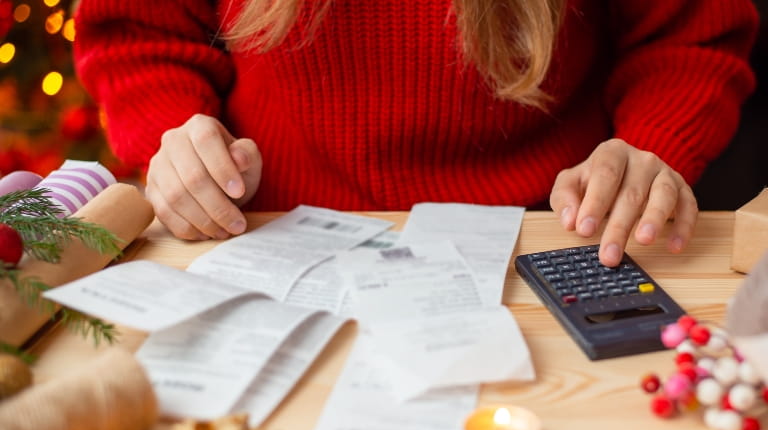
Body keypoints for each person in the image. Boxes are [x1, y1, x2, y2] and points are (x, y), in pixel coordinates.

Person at [73, 0, 758, 266]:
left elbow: (689, 39)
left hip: (553, 245)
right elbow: (141, 34)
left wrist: (650, 148)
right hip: (267, 242)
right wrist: (178, 136)